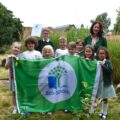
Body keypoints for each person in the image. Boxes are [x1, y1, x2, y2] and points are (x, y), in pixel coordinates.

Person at [96, 47, 116, 120]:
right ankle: (101, 111)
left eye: (103, 53)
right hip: (99, 83)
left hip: (106, 83)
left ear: (106, 54)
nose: (101, 55)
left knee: (105, 98)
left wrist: (103, 65)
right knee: (100, 98)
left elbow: (109, 70)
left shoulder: (107, 62)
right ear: (98, 54)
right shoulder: (97, 61)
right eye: (100, 53)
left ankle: (105, 113)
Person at [5, 42, 21, 114]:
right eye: (15, 47)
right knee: (14, 92)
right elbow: (6, 67)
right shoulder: (8, 57)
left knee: (21, 92)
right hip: (13, 78)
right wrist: (11, 59)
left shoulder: (20, 57)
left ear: (19, 50)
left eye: (18, 48)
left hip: (20, 78)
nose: (16, 49)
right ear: (12, 48)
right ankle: (15, 107)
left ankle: (20, 105)